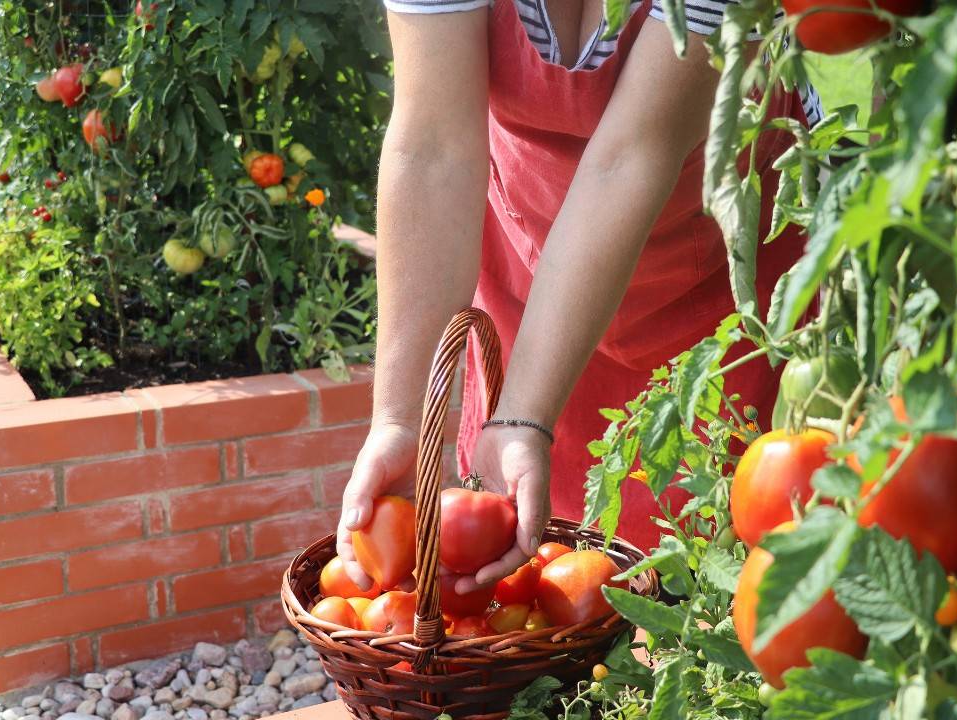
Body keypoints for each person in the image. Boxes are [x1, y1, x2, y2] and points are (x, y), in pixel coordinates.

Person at [336, 0, 818, 595]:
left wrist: (522, 416)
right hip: (533, 270)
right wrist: (400, 421)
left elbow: (632, 156)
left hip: (723, 284)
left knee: (724, 577)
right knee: (563, 591)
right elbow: (432, 146)